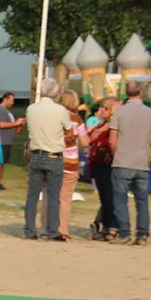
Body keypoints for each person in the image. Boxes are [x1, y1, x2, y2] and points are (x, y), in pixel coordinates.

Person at [23, 79, 74, 240]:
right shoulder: (60, 110)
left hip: (36, 155)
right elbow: (70, 131)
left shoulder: (31, 109)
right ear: (56, 92)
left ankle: (30, 230)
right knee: (53, 195)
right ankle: (52, 230)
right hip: (54, 156)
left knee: (32, 195)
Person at [110, 80, 151, 246]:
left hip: (122, 160)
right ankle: (143, 234)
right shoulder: (150, 113)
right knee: (142, 200)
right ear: (141, 92)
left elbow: (112, 140)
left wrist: (117, 152)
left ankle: (124, 233)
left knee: (121, 199)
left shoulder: (119, 112)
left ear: (125, 93)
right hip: (141, 161)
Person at [56, 91, 91, 240]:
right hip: (71, 161)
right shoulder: (77, 120)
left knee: (50, 194)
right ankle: (63, 229)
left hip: (55, 158)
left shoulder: (55, 116)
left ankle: (47, 226)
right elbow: (85, 142)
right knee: (66, 197)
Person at [87, 98, 119, 241]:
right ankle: (104, 225)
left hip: (110, 164)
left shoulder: (115, 125)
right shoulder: (102, 124)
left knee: (110, 197)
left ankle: (111, 226)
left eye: (106, 108)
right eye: (101, 107)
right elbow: (90, 138)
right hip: (98, 163)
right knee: (104, 198)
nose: (102, 110)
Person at [0, 92, 25, 190]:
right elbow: (0, 124)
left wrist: (18, 124)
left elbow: (11, 124)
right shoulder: (0, 110)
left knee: (2, 163)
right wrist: (15, 123)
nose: (12, 103)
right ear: (5, 99)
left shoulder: (7, 111)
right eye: (11, 100)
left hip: (7, 141)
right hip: (1, 140)